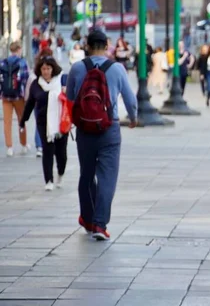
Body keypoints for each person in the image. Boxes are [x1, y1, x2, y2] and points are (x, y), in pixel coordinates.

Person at [66, 30, 138, 241]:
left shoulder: (77, 68)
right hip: (109, 128)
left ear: (87, 45)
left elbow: (70, 99)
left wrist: (74, 122)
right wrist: (133, 118)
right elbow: (130, 99)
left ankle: (87, 219)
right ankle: (100, 225)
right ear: (107, 45)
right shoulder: (117, 68)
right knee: (107, 177)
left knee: (86, 175)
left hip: (84, 130)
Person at [20, 57, 68, 191]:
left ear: (53, 68)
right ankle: (48, 180)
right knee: (47, 150)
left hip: (61, 122)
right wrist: (23, 120)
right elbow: (30, 103)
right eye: (43, 69)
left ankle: (60, 173)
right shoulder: (36, 84)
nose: (45, 71)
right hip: (43, 122)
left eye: (48, 68)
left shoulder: (62, 80)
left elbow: (71, 99)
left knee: (61, 153)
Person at [0, 41, 30, 157]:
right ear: (18, 49)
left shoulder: (3, 62)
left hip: (5, 96)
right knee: (21, 120)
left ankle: (9, 147)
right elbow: (26, 79)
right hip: (19, 96)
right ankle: (23, 145)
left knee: (7, 122)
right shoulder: (22, 62)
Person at [26, 48, 54, 158]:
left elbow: (30, 85)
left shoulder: (35, 70)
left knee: (39, 123)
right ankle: (48, 144)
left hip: (37, 101)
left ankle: (39, 146)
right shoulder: (52, 69)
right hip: (50, 101)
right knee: (49, 123)